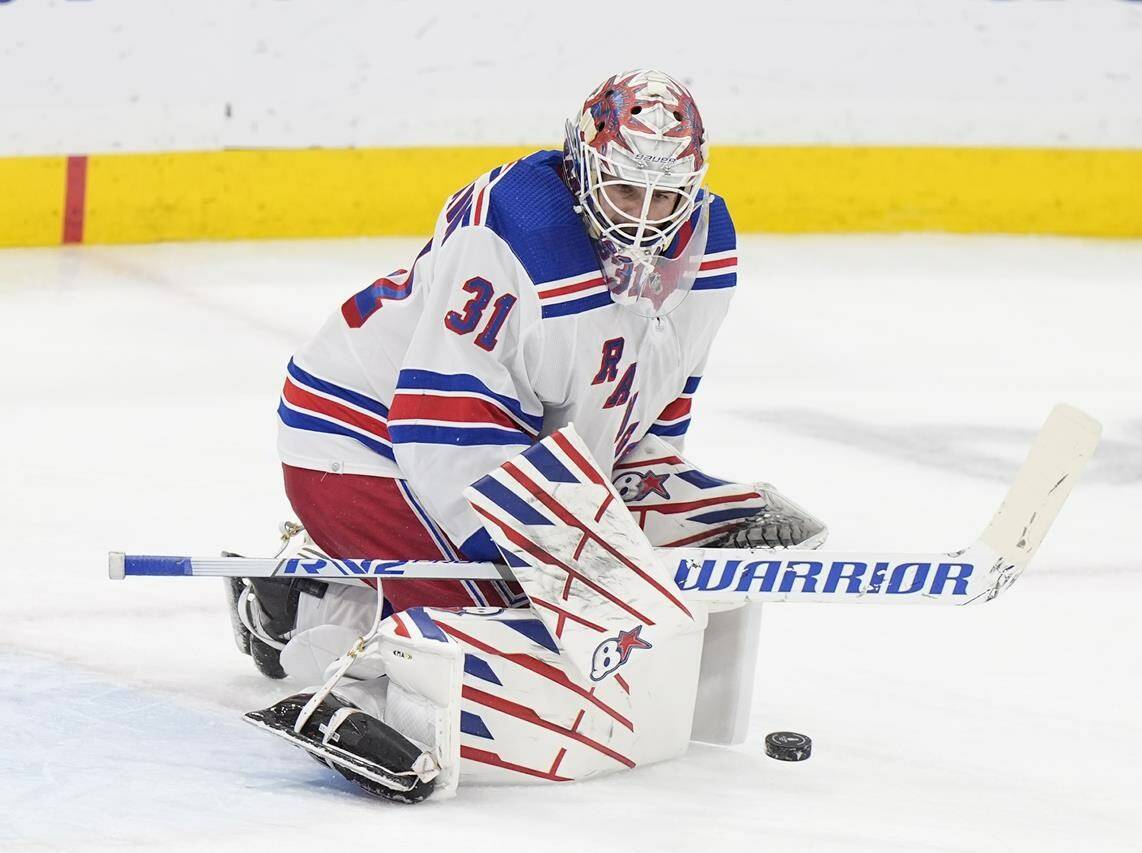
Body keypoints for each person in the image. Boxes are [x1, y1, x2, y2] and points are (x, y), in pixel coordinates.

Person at [230, 69, 824, 801]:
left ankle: (332, 589)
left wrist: (663, 507)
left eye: (664, 194)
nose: (644, 218)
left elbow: (648, 415)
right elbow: (440, 439)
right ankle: (311, 618)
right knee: (501, 609)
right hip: (362, 440)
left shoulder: (708, 247)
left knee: (571, 598)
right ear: (581, 165)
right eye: (624, 190)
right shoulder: (514, 236)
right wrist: (553, 567)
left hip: (486, 447)